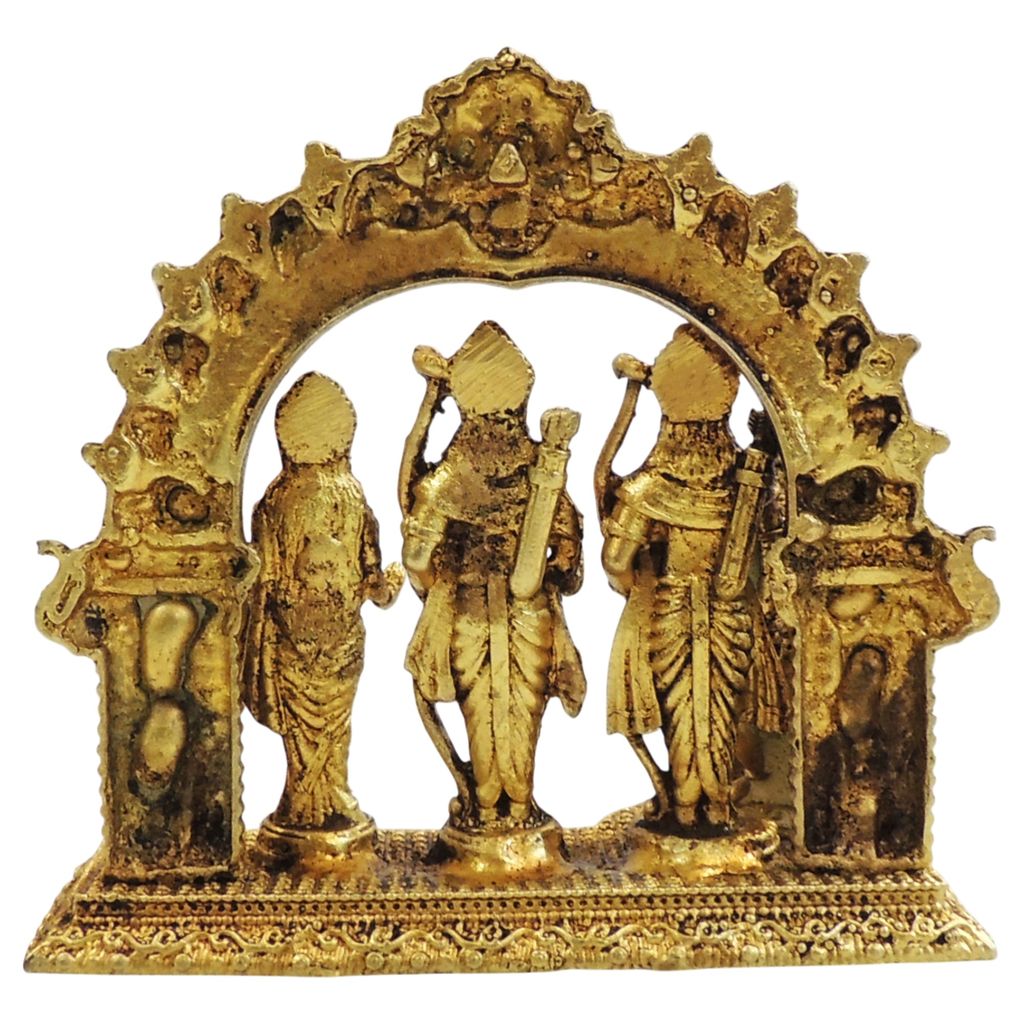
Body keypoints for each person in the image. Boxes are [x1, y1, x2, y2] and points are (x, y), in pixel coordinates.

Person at [598, 325, 785, 831]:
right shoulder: (749, 480)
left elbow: (615, 561)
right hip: (732, 613)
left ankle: (687, 806)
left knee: (682, 709)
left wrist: (639, 579)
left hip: (671, 606)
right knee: (721, 709)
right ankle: (716, 805)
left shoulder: (648, 489)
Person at [400, 321, 586, 829]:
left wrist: (436, 587)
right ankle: (514, 808)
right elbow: (568, 558)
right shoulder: (537, 467)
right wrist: (553, 572)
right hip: (522, 612)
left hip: (470, 606)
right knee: (519, 713)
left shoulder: (447, 481)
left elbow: (416, 558)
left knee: (485, 712)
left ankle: (488, 807)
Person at [245, 372, 401, 854]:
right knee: (325, 729)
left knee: (316, 729)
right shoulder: (346, 496)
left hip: (308, 636)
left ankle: (314, 801)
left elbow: (264, 579)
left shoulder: (276, 501)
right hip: (324, 635)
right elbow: (371, 578)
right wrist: (386, 586)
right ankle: (317, 802)